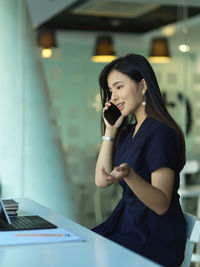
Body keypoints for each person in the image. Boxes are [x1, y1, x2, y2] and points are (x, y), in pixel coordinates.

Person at [92, 54, 186, 267]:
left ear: (142, 85)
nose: (113, 97)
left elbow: (162, 204)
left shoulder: (161, 133)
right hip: (128, 226)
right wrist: (111, 130)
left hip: (154, 236)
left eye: (119, 87)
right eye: (110, 90)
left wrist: (130, 176)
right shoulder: (129, 132)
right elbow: (101, 181)